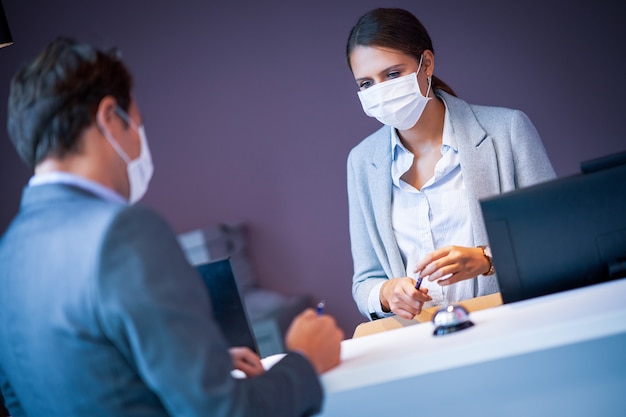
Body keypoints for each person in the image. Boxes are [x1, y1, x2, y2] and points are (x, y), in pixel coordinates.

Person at [0, 37, 343, 417]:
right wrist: (305, 362)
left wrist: (195, 363)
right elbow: (224, 411)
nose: (139, 142)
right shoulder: (124, 233)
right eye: (137, 126)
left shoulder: (9, 252)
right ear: (111, 119)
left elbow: (29, 396)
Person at [345, 8, 556, 321]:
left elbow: (554, 240)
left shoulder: (507, 130)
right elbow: (365, 282)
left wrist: (486, 260)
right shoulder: (362, 162)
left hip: (508, 323)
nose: (380, 91)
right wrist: (387, 294)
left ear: (426, 64)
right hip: (420, 342)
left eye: (392, 74)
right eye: (366, 84)